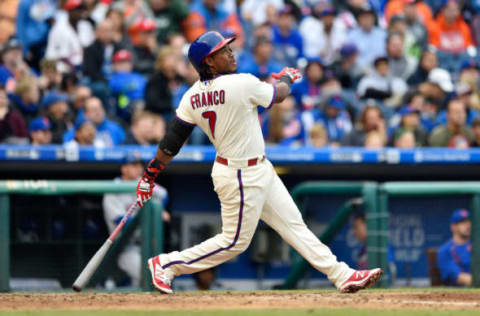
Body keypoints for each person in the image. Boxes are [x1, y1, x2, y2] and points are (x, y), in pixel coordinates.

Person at [136, 31, 383, 294]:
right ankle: (166, 263)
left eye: (229, 48)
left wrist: (150, 175)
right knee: (233, 243)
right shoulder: (241, 83)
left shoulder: (191, 96)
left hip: (255, 168)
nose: (231, 53)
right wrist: (287, 76)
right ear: (208, 62)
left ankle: (342, 275)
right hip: (240, 172)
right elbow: (280, 94)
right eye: (223, 51)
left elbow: (172, 142)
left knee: (294, 225)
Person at [103, 155, 169, 287]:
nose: (138, 168)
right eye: (133, 165)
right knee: (148, 276)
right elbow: (121, 222)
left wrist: (159, 210)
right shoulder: (113, 189)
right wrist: (148, 217)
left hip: (147, 246)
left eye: (139, 165)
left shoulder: (143, 182)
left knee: (143, 282)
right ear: (124, 168)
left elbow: (164, 194)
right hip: (125, 247)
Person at [437, 209, 472, 286]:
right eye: (462, 222)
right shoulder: (445, 250)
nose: (468, 225)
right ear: (453, 227)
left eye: (469, 221)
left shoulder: (476, 246)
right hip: (459, 294)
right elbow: (460, 278)